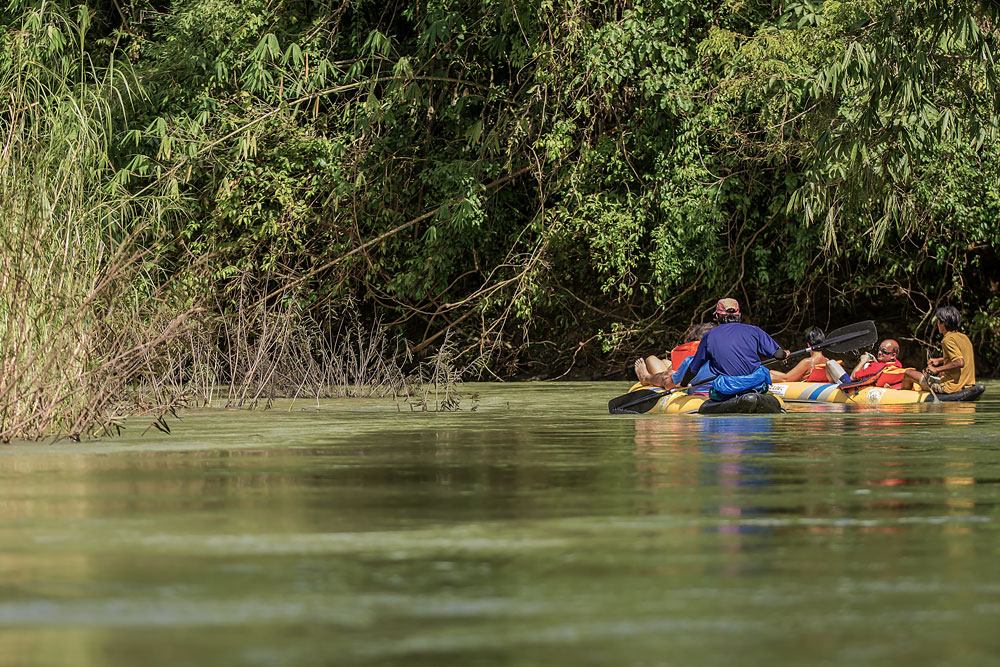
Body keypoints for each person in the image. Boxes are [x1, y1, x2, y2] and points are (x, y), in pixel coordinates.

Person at [679, 298, 789, 402]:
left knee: (712, 392)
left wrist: (684, 384)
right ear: (739, 315)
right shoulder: (754, 331)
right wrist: (785, 354)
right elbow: (779, 355)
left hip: (728, 388)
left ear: (717, 316)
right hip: (756, 385)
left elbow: (694, 369)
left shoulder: (709, 336)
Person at [901, 305, 976, 393]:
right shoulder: (964, 337)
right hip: (967, 385)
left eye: (938, 322)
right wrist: (939, 360)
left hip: (950, 387)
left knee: (908, 374)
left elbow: (960, 362)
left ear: (943, 323)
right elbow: (961, 357)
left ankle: (905, 396)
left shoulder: (947, 339)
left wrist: (937, 369)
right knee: (933, 375)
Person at [634, 323, 715, 393]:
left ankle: (645, 378)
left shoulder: (690, 362)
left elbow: (668, 384)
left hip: (682, 384)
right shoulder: (724, 359)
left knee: (652, 360)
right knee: (662, 362)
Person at [825, 339, 907, 388]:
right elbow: (881, 369)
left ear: (893, 356)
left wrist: (863, 361)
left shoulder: (876, 367)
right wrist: (875, 362)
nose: (879, 352)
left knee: (830, 363)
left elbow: (852, 378)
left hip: (849, 386)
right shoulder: (897, 365)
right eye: (879, 349)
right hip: (870, 383)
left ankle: (832, 387)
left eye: (884, 351)